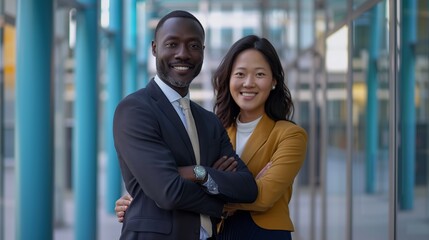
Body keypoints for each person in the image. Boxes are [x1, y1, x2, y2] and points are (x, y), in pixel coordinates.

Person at [116, 34, 308, 239]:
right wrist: (150, 191)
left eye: (260, 75)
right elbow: (167, 184)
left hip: (262, 233)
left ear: (274, 82)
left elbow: (263, 196)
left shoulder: (290, 135)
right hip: (217, 231)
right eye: (240, 74)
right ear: (229, 79)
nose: (249, 83)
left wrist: (154, 197)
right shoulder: (213, 128)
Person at [113, 10, 258, 240]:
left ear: (202, 52)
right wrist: (220, 204)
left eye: (193, 46)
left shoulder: (209, 121)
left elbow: (247, 188)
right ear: (154, 48)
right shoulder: (135, 110)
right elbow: (168, 191)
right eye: (172, 44)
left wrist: (198, 173)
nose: (183, 54)